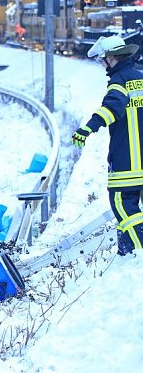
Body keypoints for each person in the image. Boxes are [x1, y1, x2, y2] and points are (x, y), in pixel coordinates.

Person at [72, 35, 143, 255]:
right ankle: (126, 251)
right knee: (131, 210)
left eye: (102, 59)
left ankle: (138, 255)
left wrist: (87, 128)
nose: (102, 64)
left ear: (111, 58)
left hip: (127, 161)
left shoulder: (119, 81)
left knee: (123, 206)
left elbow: (111, 108)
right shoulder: (140, 78)